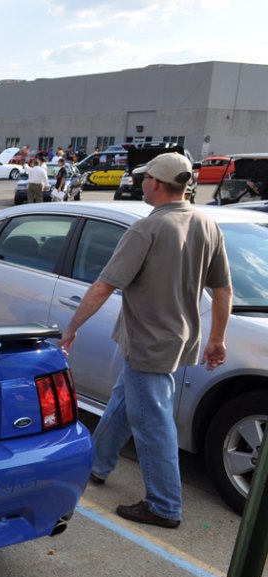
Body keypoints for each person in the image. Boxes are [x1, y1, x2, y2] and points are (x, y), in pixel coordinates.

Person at [58, 153, 232, 529]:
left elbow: (104, 286)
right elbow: (223, 288)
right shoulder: (206, 222)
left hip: (148, 343)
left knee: (153, 424)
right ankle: (97, 465)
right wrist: (216, 338)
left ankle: (164, 505)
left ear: (155, 182)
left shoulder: (146, 229)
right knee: (124, 401)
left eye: (146, 178)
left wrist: (71, 328)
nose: (142, 184)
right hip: (177, 339)